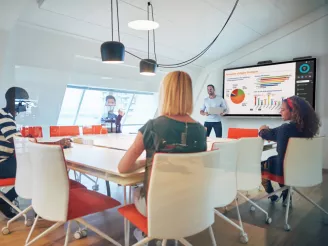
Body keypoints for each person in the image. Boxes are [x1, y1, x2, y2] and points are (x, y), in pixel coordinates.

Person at [118, 71, 207, 241]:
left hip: (157, 208)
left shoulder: (153, 127)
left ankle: (144, 233)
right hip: (192, 204)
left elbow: (123, 167)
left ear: (166, 94)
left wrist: (148, 162)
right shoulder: (201, 131)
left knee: (135, 191)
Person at [0, 87, 71, 219]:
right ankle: (40, 205)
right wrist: (56, 144)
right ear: (13, 100)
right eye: (24, 101)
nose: (27, 104)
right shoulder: (4, 117)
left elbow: (21, 142)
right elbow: (20, 144)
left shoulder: (7, 116)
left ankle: (34, 203)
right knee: (41, 167)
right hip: (2, 164)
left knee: (37, 165)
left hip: (6, 161)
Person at [259, 96, 320, 206]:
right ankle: (286, 194)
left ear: (293, 112)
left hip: (286, 170)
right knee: (276, 160)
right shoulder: (310, 130)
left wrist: (262, 129)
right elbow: (274, 134)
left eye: (282, 109)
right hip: (307, 169)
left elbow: (269, 135)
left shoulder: (285, 129)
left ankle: (272, 195)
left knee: (263, 164)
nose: (280, 112)